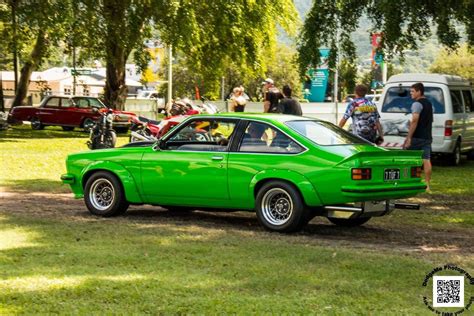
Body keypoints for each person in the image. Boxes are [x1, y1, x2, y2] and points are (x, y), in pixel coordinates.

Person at [403, 82, 433, 191]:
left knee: (407, 159)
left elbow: (415, 120)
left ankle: (406, 182)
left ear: (419, 92)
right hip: (427, 137)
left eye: (412, 91)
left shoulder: (416, 104)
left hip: (416, 137)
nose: (411, 94)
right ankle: (427, 185)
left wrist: (409, 137)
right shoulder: (429, 103)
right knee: (426, 160)